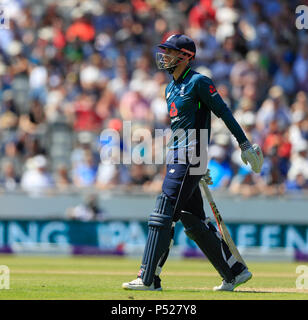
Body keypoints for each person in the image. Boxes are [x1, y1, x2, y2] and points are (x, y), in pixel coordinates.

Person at [122, 34, 263, 292]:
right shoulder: (169, 89)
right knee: (191, 218)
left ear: (185, 57)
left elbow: (224, 113)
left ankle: (148, 278)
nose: (164, 56)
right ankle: (234, 272)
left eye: (170, 52)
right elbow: (180, 129)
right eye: (163, 50)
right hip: (180, 156)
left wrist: (243, 145)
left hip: (190, 155)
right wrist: (197, 168)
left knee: (164, 210)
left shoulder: (199, 82)